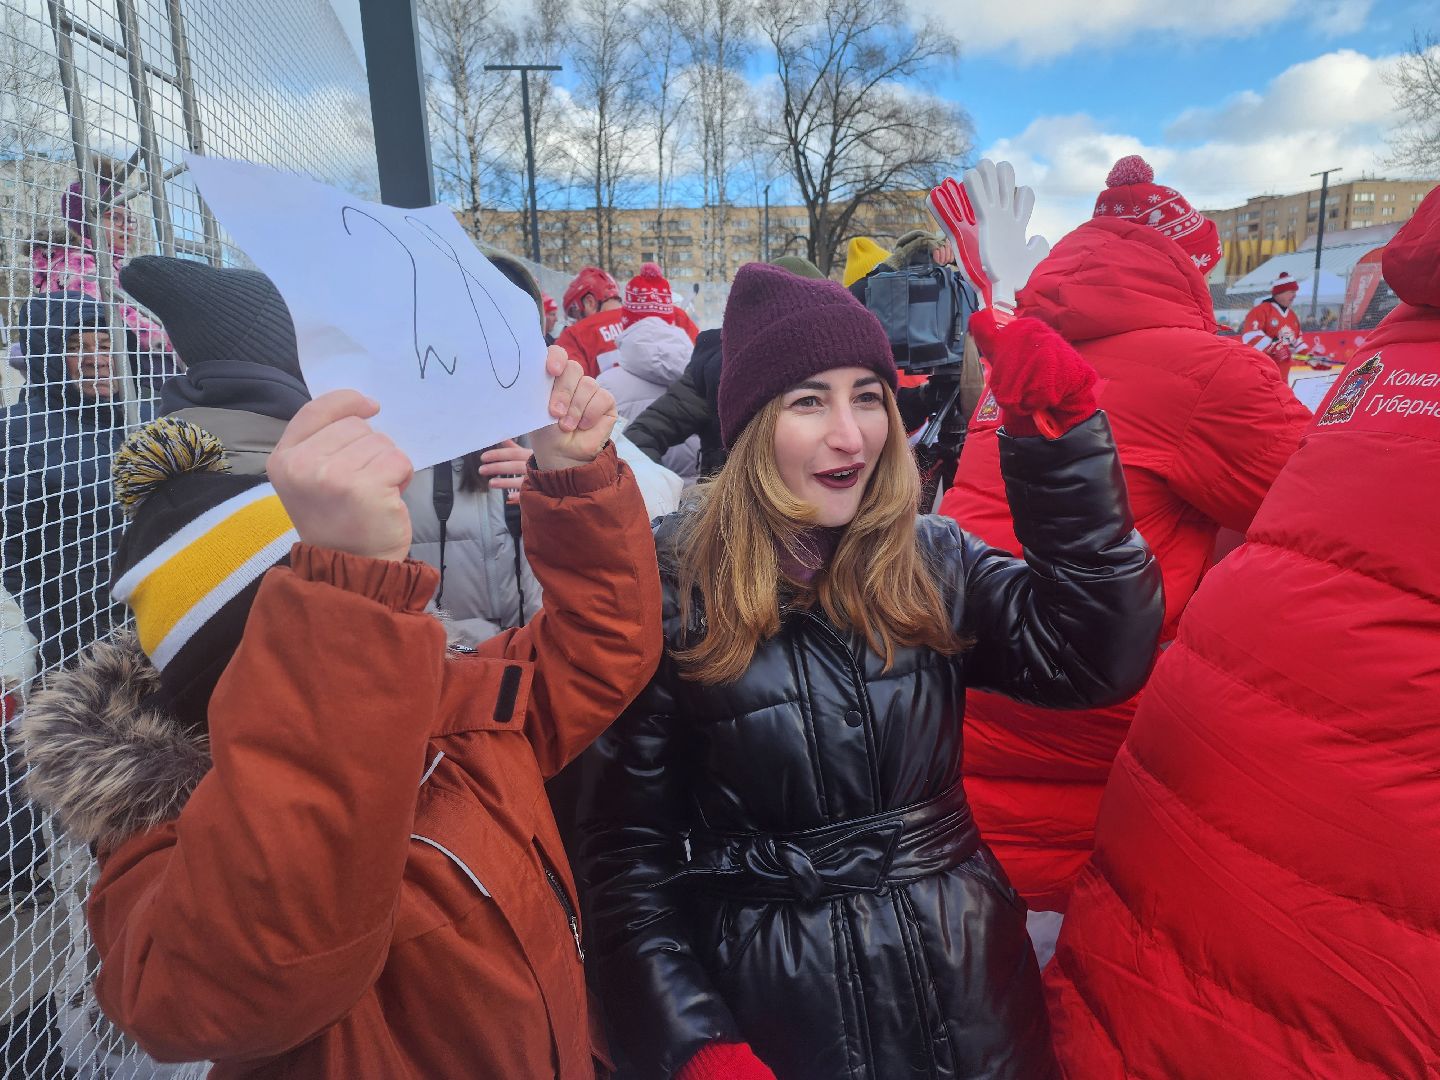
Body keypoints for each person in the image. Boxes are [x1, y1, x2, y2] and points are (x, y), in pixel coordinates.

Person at [18, 256, 664, 1078]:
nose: (407, 629)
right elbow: (244, 981)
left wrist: (574, 476)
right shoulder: (168, 844)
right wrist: (354, 602)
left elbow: (604, 648)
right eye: (346, 618)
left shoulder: (449, 718)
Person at [575, 262, 1163, 1080]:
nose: (849, 435)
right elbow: (620, 859)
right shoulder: (670, 591)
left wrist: (1059, 440)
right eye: (809, 401)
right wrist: (694, 1044)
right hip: (778, 1011)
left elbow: (1094, 656)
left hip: (970, 994)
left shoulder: (935, 558)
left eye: (868, 397)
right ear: (749, 426)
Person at [1044, 180, 1440, 1080]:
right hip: (1087, 751)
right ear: (1190, 273)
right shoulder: (1211, 371)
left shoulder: (1387, 356)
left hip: (1113, 871)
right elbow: (1278, 493)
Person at [939, 155, 1310, 949]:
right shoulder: (1213, 374)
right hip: (1085, 732)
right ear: (1189, 268)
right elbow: (1327, 525)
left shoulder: (1024, 353)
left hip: (962, 706)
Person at [2, 292, 137, 676]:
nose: (97, 359)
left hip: (155, 621)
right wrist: (40, 644)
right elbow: (11, 556)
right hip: (68, 642)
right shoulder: (18, 431)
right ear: (47, 355)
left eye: (107, 344)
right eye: (76, 347)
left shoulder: (144, 415)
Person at [598, 264, 701, 478]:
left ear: (626, 322)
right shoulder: (702, 372)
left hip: (639, 497)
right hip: (702, 498)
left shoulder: (604, 385)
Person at [557, 264, 699, 378]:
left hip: (614, 412)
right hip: (678, 410)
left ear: (589, 302)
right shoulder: (675, 315)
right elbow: (702, 364)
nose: (575, 318)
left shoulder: (575, 336)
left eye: (574, 311)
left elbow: (571, 390)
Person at [1241, 271, 1307, 374]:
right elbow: (1250, 336)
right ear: (1280, 293)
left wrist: (1310, 358)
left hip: (1283, 374)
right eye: (1291, 292)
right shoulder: (1261, 310)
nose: (1294, 295)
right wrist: (1274, 347)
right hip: (1261, 372)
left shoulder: (1292, 316)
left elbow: (1297, 341)